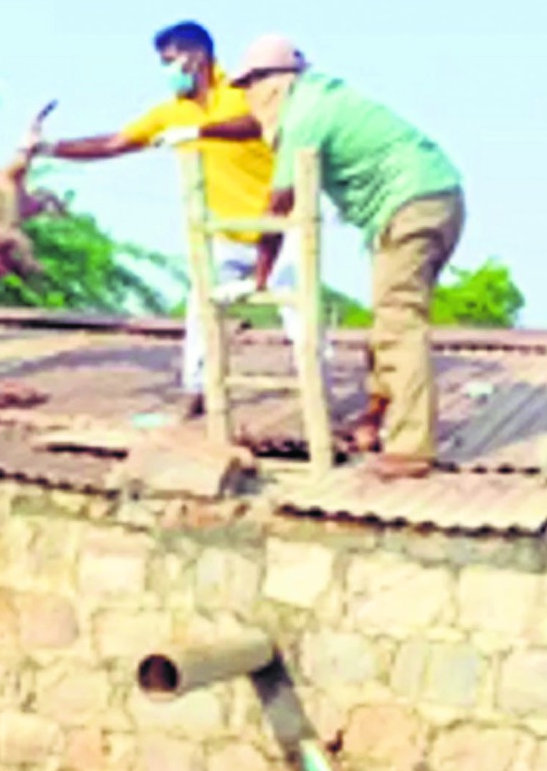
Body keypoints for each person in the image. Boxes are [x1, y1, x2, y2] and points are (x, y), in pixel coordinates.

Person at [185, 33, 466, 481]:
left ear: (270, 81)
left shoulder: (301, 118)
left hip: (411, 203)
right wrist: (200, 131)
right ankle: (374, 421)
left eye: (249, 87)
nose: (249, 98)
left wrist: (260, 276)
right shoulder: (318, 97)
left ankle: (411, 448)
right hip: (434, 196)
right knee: (390, 319)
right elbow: (252, 129)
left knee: (399, 324)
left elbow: (279, 206)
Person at [34, 21, 293, 420]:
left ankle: (319, 394)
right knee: (201, 309)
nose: (167, 71)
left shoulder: (241, 91)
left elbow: (259, 122)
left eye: (170, 61)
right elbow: (115, 143)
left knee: (301, 316)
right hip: (224, 233)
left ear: (196, 57)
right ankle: (197, 391)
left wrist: (200, 130)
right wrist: (51, 148)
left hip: (280, 226)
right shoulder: (171, 112)